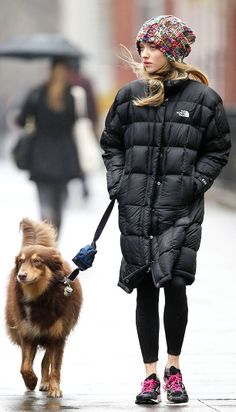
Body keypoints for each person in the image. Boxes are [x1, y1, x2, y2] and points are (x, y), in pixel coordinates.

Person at [100, 15, 231, 405]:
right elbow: (112, 144)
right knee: (143, 284)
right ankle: (149, 375)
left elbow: (217, 150)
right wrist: (119, 182)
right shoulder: (130, 96)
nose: (144, 53)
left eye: (153, 46)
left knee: (174, 282)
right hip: (137, 206)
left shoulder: (204, 100)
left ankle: (174, 369)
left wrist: (197, 182)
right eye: (142, 46)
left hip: (181, 207)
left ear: (172, 51)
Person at [16, 58, 83, 235]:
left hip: (40, 153)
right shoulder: (69, 96)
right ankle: (54, 238)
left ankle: (46, 227)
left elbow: (22, 120)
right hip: (64, 154)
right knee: (59, 201)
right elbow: (73, 122)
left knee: (45, 200)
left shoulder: (37, 93)